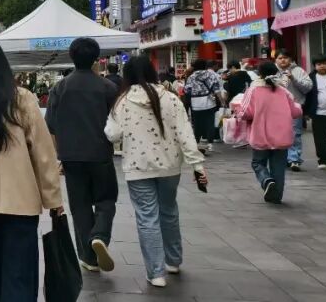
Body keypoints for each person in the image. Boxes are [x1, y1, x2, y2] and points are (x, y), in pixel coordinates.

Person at [0, 37, 63, 302]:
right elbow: (43, 153)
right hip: (21, 199)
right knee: (20, 271)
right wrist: (53, 199)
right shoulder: (21, 98)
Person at [104, 56, 207, 288]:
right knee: (169, 211)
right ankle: (173, 261)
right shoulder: (171, 98)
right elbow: (185, 134)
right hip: (170, 166)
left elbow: (112, 134)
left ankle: (156, 272)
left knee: (146, 217)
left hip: (138, 167)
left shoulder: (122, 102)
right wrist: (197, 166)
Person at [46, 37, 118, 273]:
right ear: (96, 58)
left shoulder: (60, 88)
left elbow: (51, 125)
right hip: (101, 153)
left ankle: (88, 257)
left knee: (80, 205)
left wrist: (58, 155)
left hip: (71, 156)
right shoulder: (107, 87)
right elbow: (117, 122)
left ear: (72, 57)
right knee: (106, 199)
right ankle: (100, 235)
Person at [242, 61, 303, 203]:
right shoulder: (284, 91)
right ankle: (276, 196)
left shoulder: (253, 90)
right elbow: (296, 112)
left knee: (258, 163)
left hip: (261, 135)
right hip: (282, 137)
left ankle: (267, 180)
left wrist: (238, 113)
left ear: (259, 73)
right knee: (279, 167)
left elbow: (246, 113)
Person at [273, 49, 313, 171]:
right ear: (276, 60)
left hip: (294, 107)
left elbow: (308, 87)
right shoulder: (272, 71)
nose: (283, 60)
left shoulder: (298, 71)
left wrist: (294, 79)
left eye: (285, 58)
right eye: (280, 58)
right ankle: (281, 158)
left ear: (290, 59)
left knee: (295, 133)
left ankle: (294, 159)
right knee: (277, 133)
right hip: (275, 108)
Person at [304, 56, 326, 170]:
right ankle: (324, 160)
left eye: (324, 63)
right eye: (319, 64)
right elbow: (307, 96)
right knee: (320, 140)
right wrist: (306, 112)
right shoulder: (310, 77)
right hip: (318, 114)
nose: (322, 66)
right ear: (315, 66)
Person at [184, 59, 222, 147]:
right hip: (209, 102)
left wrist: (196, 92)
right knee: (210, 122)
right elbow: (216, 89)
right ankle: (210, 143)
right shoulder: (210, 75)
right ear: (205, 66)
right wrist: (221, 101)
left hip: (196, 103)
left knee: (197, 123)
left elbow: (187, 90)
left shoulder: (191, 77)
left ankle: (197, 142)